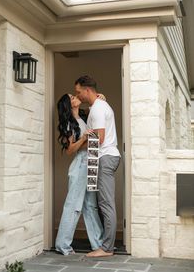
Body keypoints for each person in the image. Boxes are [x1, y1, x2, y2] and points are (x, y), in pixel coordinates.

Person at [75, 75, 121, 257]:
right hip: (101, 158)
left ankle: (107, 248)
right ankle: (105, 244)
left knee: (106, 204)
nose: (78, 95)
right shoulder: (98, 106)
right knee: (101, 203)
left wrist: (80, 143)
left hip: (105, 158)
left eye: (79, 92)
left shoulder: (98, 109)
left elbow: (99, 139)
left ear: (87, 90)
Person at [55, 93, 103, 256]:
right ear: (69, 104)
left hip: (91, 163)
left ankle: (98, 243)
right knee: (73, 206)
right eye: (72, 97)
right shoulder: (69, 123)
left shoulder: (83, 117)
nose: (76, 96)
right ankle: (63, 245)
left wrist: (100, 100)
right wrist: (83, 139)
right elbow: (70, 150)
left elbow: (98, 114)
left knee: (91, 205)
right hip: (81, 164)